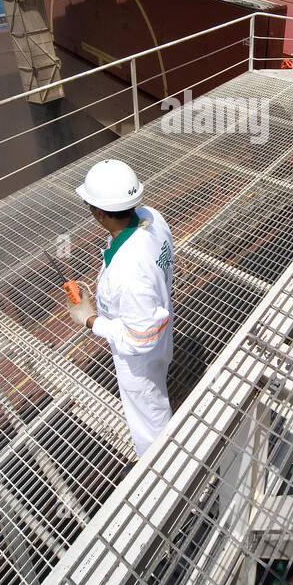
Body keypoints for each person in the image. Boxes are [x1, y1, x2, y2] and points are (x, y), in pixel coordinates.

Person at [68, 159, 174, 458]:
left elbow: (142, 338)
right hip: (161, 323)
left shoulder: (128, 270)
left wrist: (89, 319)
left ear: (99, 213)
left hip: (139, 358)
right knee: (158, 380)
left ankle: (160, 478)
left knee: (149, 420)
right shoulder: (152, 217)